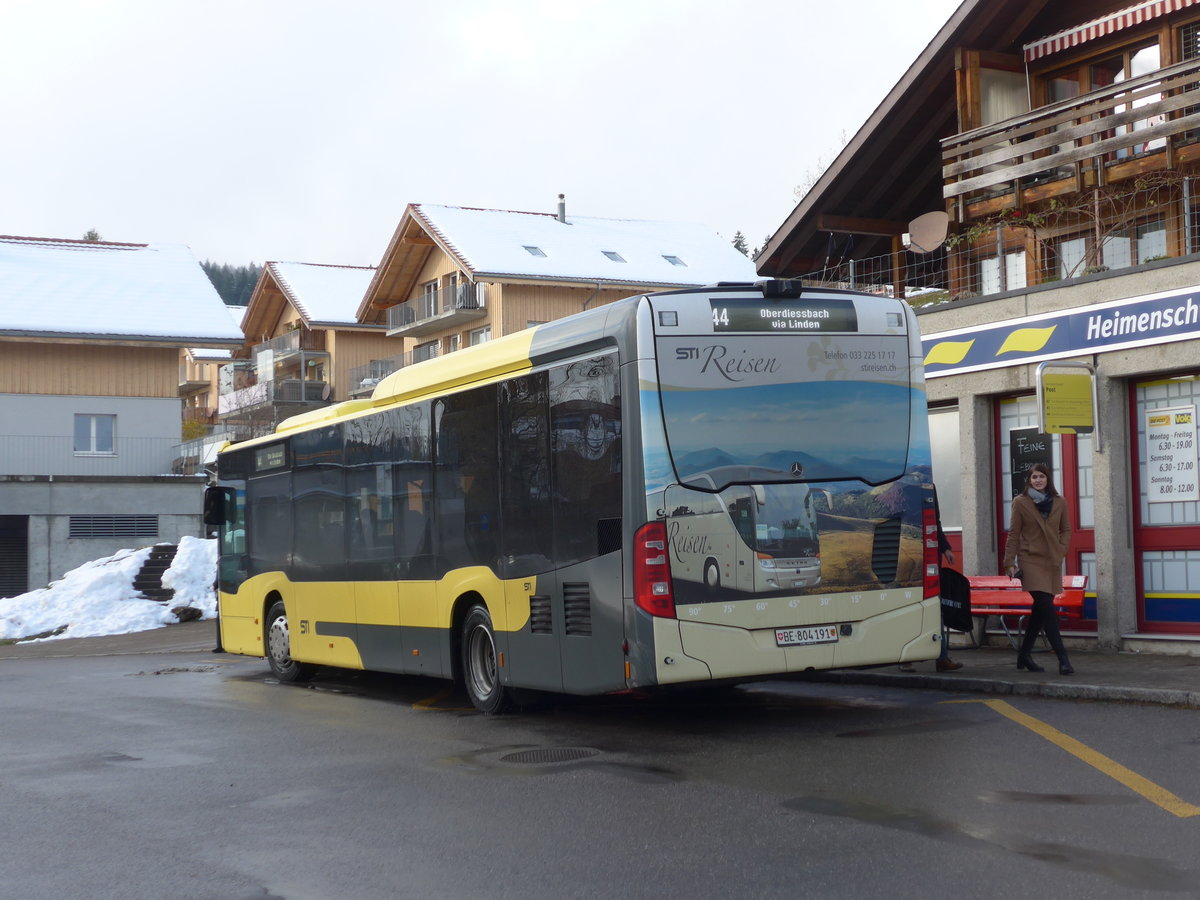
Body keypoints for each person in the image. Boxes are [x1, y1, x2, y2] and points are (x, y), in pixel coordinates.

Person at [1003, 462, 1075, 675]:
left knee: (1040, 611)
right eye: (1034, 477)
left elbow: (1066, 529)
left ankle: (1024, 655)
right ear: (1029, 480)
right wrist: (1009, 562)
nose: (1038, 480)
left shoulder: (1059, 502)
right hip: (1030, 559)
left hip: (1051, 560)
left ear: (1047, 479)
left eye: (1041, 476)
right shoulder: (1021, 502)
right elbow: (1014, 533)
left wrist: (1061, 550)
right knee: (1047, 607)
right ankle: (1063, 658)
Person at [900, 487, 962, 672]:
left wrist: (945, 548)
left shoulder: (929, 487)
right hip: (907, 554)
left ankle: (941, 657)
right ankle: (906, 658)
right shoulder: (902, 484)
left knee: (936, 607)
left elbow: (936, 520)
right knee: (908, 606)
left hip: (930, 557)